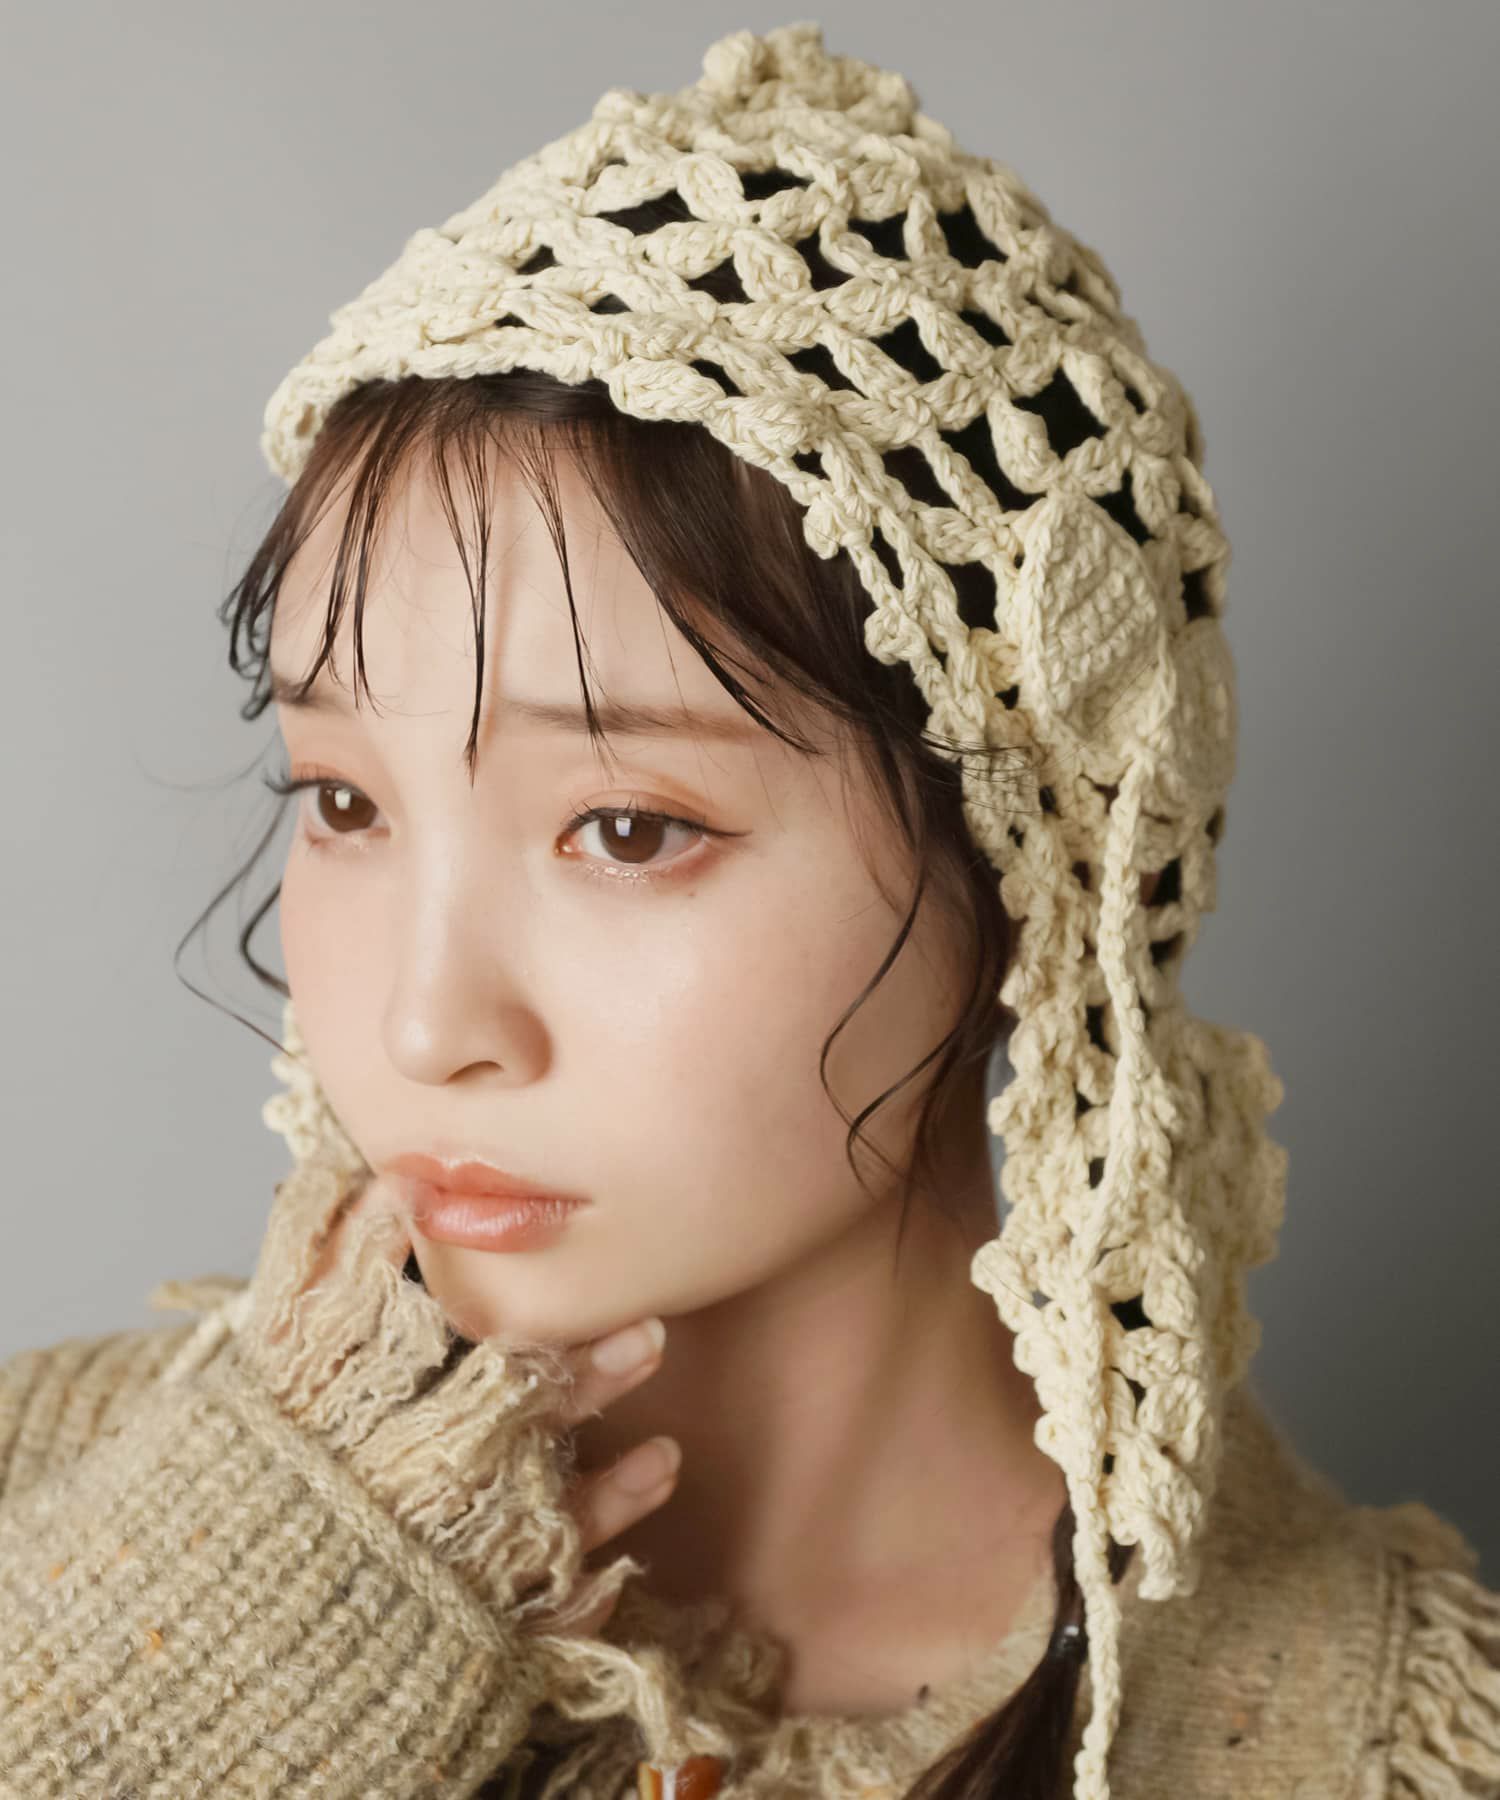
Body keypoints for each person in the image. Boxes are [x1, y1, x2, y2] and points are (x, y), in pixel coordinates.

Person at [2, 22, 1495, 1800]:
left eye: (626, 829)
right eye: (345, 803)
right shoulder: (43, 1504)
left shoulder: (1378, 1742)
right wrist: (222, 1652)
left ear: (1026, 866)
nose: (423, 1023)